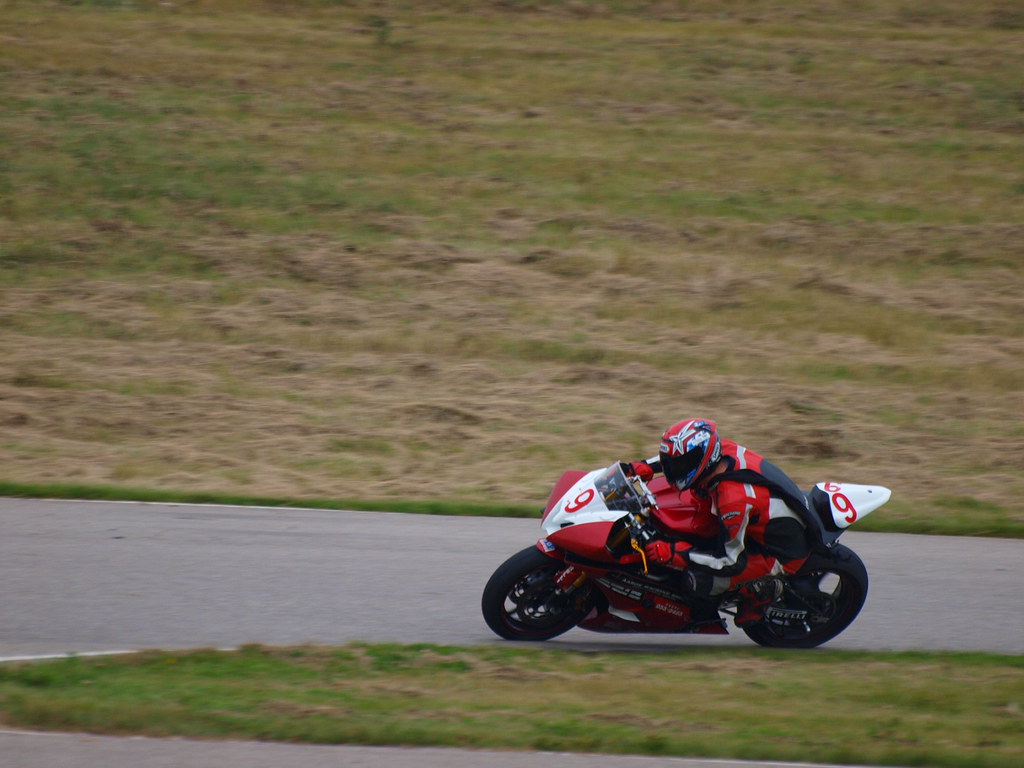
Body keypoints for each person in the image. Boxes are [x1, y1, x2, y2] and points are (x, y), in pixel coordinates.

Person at [626, 418, 812, 627]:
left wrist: (676, 554)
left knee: (696, 582)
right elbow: (686, 458)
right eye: (671, 463)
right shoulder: (719, 451)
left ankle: (761, 591)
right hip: (764, 519)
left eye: (679, 465)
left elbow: (730, 561)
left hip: (777, 552)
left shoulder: (732, 500)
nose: (674, 469)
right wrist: (645, 466)